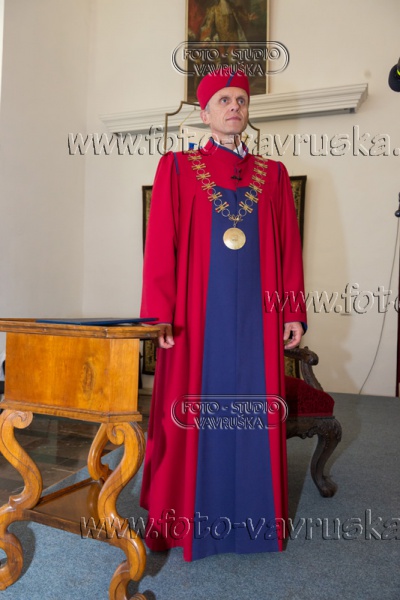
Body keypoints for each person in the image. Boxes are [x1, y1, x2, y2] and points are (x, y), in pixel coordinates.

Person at [140, 68, 306, 562]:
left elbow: (289, 248)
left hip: (258, 317)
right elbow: (160, 245)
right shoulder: (176, 168)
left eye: (241, 100)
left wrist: (292, 309)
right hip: (193, 319)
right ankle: (184, 520)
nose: (234, 106)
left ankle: (253, 523)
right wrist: (159, 315)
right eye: (224, 100)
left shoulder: (274, 175)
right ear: (205, 111)